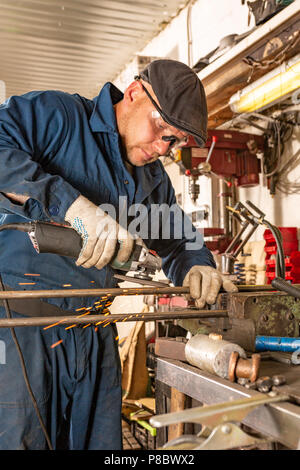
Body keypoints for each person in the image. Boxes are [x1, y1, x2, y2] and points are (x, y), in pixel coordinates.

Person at [0, 59, 237, 450]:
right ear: (133, 94)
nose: (163, 147)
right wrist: (71, 206)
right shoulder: (58, 116)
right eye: (161, 128)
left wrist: (199, 265)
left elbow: (178, 240)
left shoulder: (151, 180)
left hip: (93, 334)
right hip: (21, 333)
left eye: (174, 141)